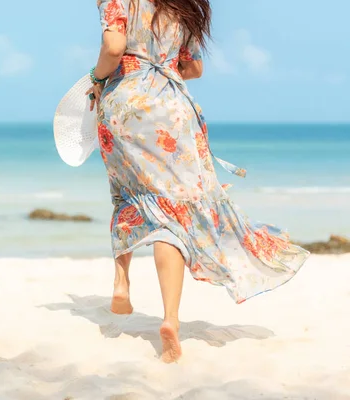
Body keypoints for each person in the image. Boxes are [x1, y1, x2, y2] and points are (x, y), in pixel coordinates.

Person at [85, 0, 310, 363]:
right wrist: (162, 69)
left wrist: (97, 78)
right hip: (174, 111)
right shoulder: (184, 6)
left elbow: (113, 47)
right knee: (172, 212)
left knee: (128, 194)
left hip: (125, 106)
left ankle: (121, 283)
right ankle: (170, 320)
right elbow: (195, 68)